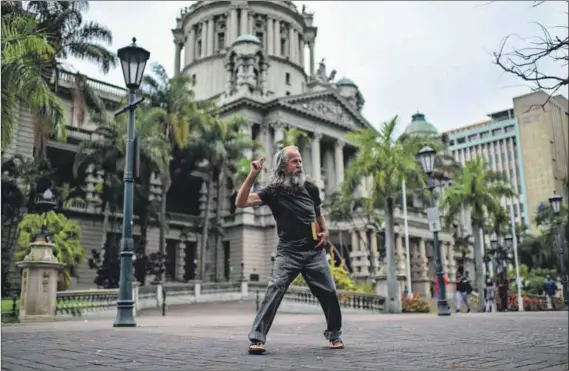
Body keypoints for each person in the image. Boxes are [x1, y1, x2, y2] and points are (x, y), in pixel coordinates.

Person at [234, 146, 344, 355]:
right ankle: (257, 338)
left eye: (300, 160)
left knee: (329, 291)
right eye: (294, 161)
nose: (299, 164)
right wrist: (252, 174)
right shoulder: (273, 192)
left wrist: (326, 232)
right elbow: (241, 203)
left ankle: (334, 334)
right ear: (283, 168)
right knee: (275, 288)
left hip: (314, 252)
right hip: (288, 253)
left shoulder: (311, 188)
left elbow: (318, 215)